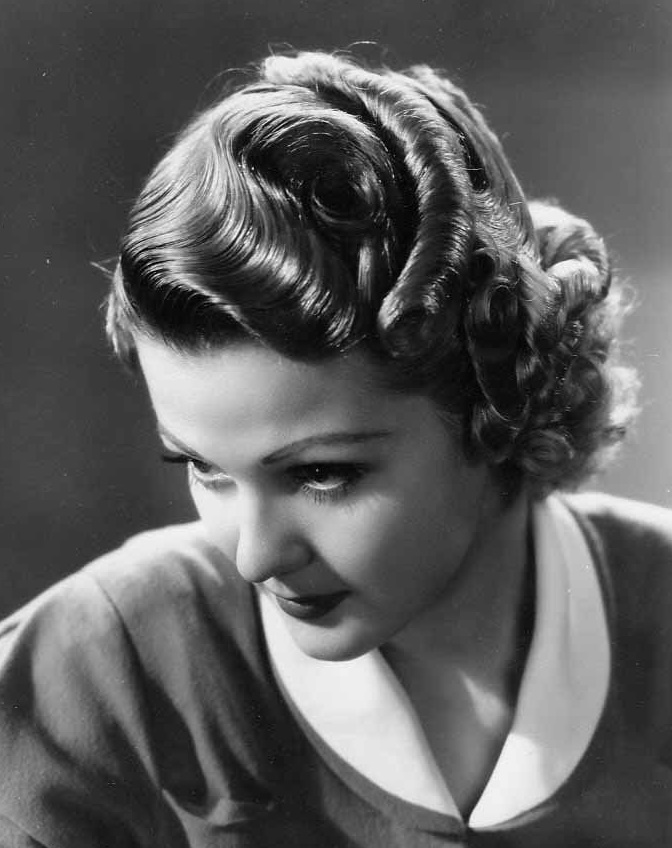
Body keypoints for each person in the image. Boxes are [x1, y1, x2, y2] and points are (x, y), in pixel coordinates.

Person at [0, 50, 670, 848]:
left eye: (322, 474)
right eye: (203, 468)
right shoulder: (87, 681)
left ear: (497, 408)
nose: (254, 556)